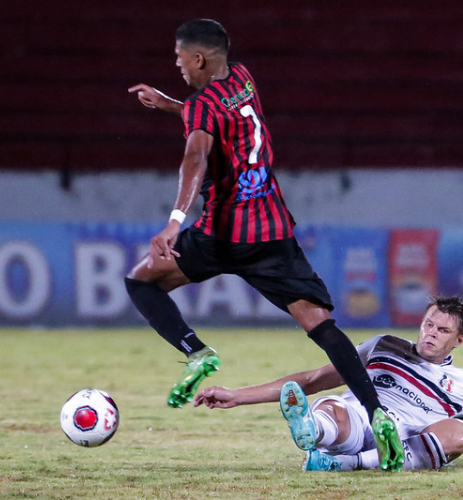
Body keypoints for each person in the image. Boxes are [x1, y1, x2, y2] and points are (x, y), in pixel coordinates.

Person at [124, 18, 405, 471]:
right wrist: (169, 105)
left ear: (198, 59)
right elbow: (212, 116)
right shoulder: (243, 79)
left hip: (220, 235)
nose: (176, 66)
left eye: (179, 60)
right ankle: (379, 413)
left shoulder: (201, 106)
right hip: (272, 233)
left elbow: (195, 156)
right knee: (322, 327)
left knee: (141, 282)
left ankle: (197, 351)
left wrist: (175, 221)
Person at [194, 295, 463, 471]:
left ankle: (344, 463)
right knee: (332, 408)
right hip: (361, 420)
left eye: (442, 330)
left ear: (459, 340)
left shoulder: (461, 384)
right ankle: (311, 431)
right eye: (428, 324)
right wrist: (236, 396)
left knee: (458, 435)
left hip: (400, 440)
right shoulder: (382, 345)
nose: (431, 333)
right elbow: (314, 379)